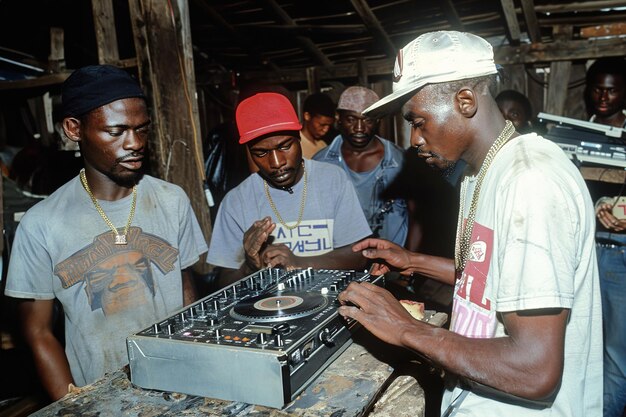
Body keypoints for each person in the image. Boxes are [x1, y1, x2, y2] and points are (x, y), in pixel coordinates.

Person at [337, 31, 602, 416]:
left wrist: (406, 329)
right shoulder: (478, 173)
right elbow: (491, 279)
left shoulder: (531, 180)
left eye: (419, 120)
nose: (413, 139)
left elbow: (533, 369)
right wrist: (414, 260)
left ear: (464, 101)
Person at [3, 65, 208, 401]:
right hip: (103, 396)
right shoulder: (41, 224)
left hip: (180, 385)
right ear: (74, 128)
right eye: (116, 132)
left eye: (142, 129)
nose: (135, 143)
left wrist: (200, 362)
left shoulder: (172, 200)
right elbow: (37, 331)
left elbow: (184, 284)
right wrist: (77, 404)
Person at [207, 92, 371, 287]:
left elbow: (359, 255)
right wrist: (250, 267)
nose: (276, 163)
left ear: (298, 137)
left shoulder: (332, 180)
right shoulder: (236, 201)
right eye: (261, 153)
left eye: (285, 147)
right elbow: (222, 284)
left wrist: (299, 263)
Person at [312, 86, 410, 246]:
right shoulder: (320, 163)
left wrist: (409, 264)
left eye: (368, 120)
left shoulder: (401, 162)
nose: (359, 128)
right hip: (342, 263)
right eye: (351, 119)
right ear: (338, 118)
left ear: (377, 120)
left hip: (393, 265)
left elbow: (418, 219)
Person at [584, 56, 626, 417]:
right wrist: (595, 204)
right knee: (585, 343)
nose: (603, 96)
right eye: (598, 88)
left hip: (620, 255)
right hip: (588, 248)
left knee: (617, 352)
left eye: (612, 90)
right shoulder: (577, 131)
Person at [299, 92, 336, 158]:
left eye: (329, 126)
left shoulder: (323, 145)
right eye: (322, 125)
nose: (325, 130)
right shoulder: (297, 145)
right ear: (307, 116)